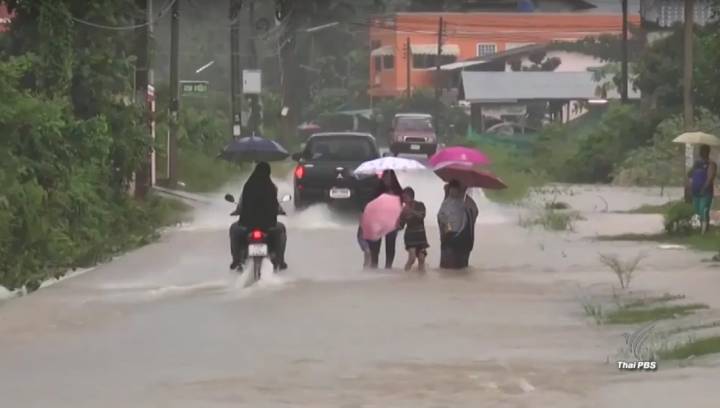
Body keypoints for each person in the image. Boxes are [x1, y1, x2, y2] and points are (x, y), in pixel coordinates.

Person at [229, 162, 288, 271]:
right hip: (268, 226)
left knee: (234, 229)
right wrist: (279, 211)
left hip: (247, 225)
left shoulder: (248, 186)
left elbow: (243, 204)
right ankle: (281, 260)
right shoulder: (271, 187)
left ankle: (236, 260)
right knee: (281, 229)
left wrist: (238, 211)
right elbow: (274, 205)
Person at [367, 169, 404, 269]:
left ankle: (388, 267)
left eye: (389, 177)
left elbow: (402, 206)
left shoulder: (398, 191)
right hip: (378, 221)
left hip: (392, 222)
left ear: (393, 178)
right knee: (375, 247)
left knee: (390, 246)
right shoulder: (377, 190)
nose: (387, 179)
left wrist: (401, 221)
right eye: (385, 177)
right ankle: (374, 266)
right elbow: (370, 204)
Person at [437, 180, 467, 269]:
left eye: (455, 190)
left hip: (459, 234)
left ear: (458, 190)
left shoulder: (462, 203)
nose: (452, 192)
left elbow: (465, 219)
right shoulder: (446, 202)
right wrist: (445, 224)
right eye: (451, 189)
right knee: (446, 259)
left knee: (456, 260)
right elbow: (440, 215)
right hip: (447, 233)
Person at [688, 144, 717, 234]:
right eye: (701, 150)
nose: (702, 153)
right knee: (696, 210)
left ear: (708, 152)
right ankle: (698, 228)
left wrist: (704, 188)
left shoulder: (711, 164)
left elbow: (710, 177)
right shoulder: (697, 163)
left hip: (705, 192)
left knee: (703, 209)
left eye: (704, 150)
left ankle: (704, 231)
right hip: (695, 190)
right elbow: (690, 174)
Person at [399, 187, 429, 272]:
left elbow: (421, 216)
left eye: (405, 197)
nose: (404, 200)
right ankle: (405, 275)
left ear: (411, 196)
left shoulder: (420, 205)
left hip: (421, 237)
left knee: (421, 259)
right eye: (403, 198)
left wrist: (411, 211)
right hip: (410, 237)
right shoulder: (403, 210)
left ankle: (421, 280)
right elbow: (401, 226)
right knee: (412, 258)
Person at [457, 187, 479, 268]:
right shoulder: (450, 203)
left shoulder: (469, 204)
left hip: (465, 239)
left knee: (462, 264)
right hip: (456, 240)